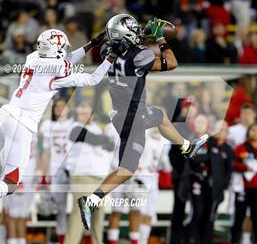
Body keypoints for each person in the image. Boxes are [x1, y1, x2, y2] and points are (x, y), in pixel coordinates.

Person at [0, 29, 118, 226]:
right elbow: (92, 79)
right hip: (22, 122)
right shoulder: (57, 67)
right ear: (56, 49)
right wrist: (110, 57)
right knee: (12, 181)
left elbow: (65, 60)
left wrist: (91, 44)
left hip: (5, 114)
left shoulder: (33, 57)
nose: (65, 50)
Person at [78, 15, 209, 230]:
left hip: (121, 113)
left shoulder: (106, 52)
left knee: (158, 120)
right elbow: (172, 62)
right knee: (128, 167)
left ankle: (187, 147)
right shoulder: (139, 56)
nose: (138, 31)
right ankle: (91, 201)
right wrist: (160, 38)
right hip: (134, 114)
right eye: (134, 30)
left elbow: (128, 47)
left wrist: (143, 36)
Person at [63, 103, 114, 244]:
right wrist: (103, 140)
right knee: (80, 211)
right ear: (77, 115)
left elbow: (110, 145)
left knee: (99, 213)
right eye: (82, 113)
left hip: (100, 176)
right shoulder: (74, 128)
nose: (85, 116)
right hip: (82, 175)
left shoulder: (96, 128)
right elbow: (93, 138)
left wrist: (103, 140)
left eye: (88, 113)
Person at [40, 98, 73, 244]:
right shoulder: (48, 126)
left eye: (63, 106)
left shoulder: (74, 124)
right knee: (60, 208)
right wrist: (45, 172)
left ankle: (81, 242)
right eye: (57, 106)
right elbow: (46, 151)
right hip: (56, 169)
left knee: (82, 205)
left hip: (73, 169)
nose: (60, 109)